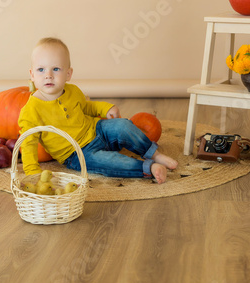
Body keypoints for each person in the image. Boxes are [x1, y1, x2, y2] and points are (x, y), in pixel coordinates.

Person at [18, 37, 178, 184]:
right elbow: (28, 143)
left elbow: (88, 107)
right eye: (41, 70)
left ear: (68, 74)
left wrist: (106, 108)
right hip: (76, 153)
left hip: (97, 130)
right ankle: (148, 168)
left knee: (123, 125)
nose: (48, 75)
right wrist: (33, 172)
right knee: (109, 162)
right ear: (32, 74)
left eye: (56, 69)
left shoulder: (72, 91)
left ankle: (153, 153)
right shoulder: (31, 110)